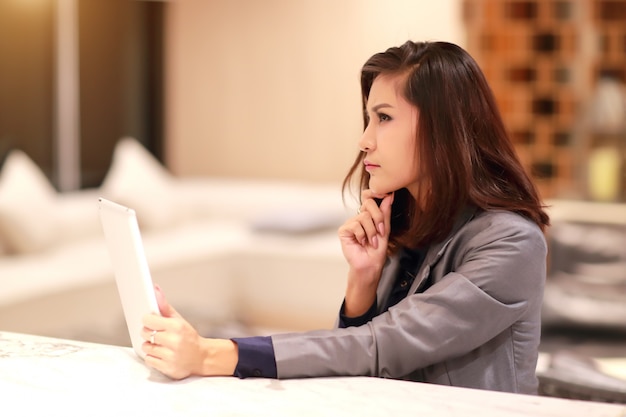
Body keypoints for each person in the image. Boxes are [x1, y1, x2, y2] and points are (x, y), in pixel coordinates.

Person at [141, 40, 550, 394]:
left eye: (384, 118)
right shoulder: (410, 223)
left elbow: (380, 347)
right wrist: (363, 284)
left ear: (442, 130)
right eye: (369, 118)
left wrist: (211, 353)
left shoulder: (512, 243)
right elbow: (354, 366)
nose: (364, 140)